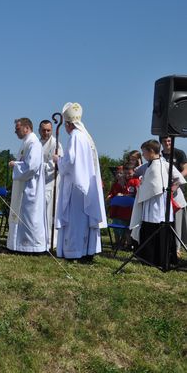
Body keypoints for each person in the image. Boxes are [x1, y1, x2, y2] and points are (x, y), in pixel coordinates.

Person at [53, 102, 107, 261]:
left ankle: (74, 252)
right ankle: (87, 251)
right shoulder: (86, 136)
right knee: (84, 220)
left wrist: (58, 160)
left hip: (76, 187)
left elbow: (70, 162)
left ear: (69, 124)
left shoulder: (75, 137)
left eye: (66, 125)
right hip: (87, 187)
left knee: (75, 221)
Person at [130, 139, 184, 267]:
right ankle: (148, 258)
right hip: (149, 204)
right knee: (149, 227)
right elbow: (136, 172)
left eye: (144, 152)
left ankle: (160, 259)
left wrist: (171, 189)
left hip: (160, 204)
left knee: (159, 228)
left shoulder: (163, 164)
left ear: (151, 151)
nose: (143, 155)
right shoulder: (148, 164)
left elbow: (179, 178)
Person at [7, 118, 47, 253]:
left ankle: (31, 246)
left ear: (26, 128)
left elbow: (32, 167)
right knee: (22, 216)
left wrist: (15, 165)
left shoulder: (34, 143)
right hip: (24, 186)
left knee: (30, 217)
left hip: (31, 188)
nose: (15, 131)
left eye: (17, 128)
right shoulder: (26, 143)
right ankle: (19, 245)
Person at [39, 119, 63, 248]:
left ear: (52, 130)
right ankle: (40, 238)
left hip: (51, 181)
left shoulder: (56, 144)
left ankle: (50, 242)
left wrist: (39, 167)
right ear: (39, 130)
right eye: (43, 130)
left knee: (50, 213)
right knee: (41, 211)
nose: (46, 132)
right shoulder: (38, 143)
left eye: (48, 130)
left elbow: (56, 163)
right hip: (39, 182)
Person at [105, 163, 140, 248]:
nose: (127, 175)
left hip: (131, 210)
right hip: (120, 210)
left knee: (128, 228)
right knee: (121, 228)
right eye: (126, 173)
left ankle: (129, 244)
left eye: (129, 173)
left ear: (134, 172)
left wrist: (126, 196)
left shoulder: (136, 181)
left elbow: (137, 194)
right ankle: (120, 244)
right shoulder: (122, 182)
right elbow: (115, 193)